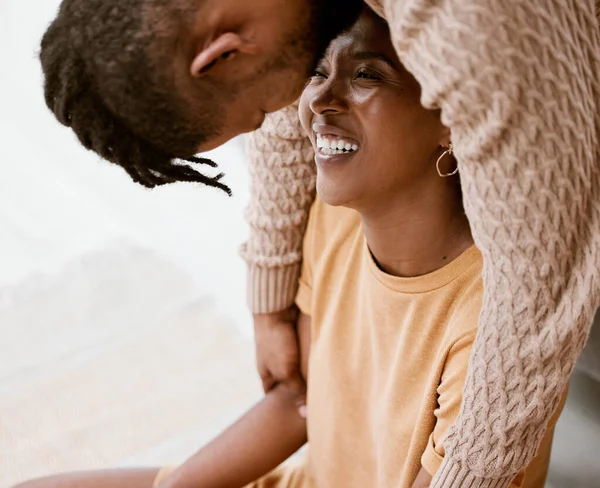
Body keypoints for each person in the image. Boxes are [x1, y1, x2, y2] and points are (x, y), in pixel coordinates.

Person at [38, 0, 600, 487]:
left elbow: (540, 306)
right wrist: (270, 296)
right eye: (312, 76)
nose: (305, 113)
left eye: (259, 112)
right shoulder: (334, 229)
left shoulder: (470, 30)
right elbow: (298, 401)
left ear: (225, 54)